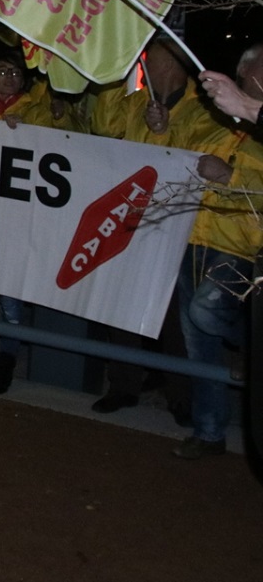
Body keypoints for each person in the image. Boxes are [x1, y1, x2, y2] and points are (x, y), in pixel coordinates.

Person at [87, 37, 195, 421]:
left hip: (176, 229)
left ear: (172, 67)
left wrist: (165, 133)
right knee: (123, 308)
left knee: (174, 321)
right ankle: (123, 386)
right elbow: (103, 126)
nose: (144, 65)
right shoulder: (136, 103)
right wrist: (115, 81)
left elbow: (198, 162)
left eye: (151, 60)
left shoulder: (202, 111)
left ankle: (181, 395)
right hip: (128, 222)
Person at [166, 43, 263, 459]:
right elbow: (168, 154)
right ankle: (209, 433)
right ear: (241, 76)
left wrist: (231, 174)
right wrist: (156, 129)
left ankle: (252, 348)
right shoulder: (206, 118)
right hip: (195, 239)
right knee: (198, 342)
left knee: (206, 311)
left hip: (241, 246)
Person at [0, 52, 71, 394]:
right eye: (2, 71)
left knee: (10, 296)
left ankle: (7, 359)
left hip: (17, 216)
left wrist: (38, 127)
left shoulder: (37, 110)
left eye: (15, 73)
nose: (9, 77)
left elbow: (64, 145)